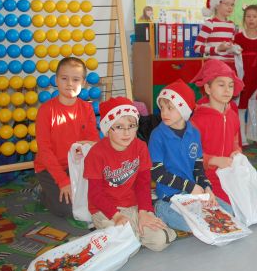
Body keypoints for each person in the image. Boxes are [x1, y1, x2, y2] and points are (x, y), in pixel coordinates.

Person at [83, 97, 175, 251]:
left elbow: (143, 184)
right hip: (106, 210)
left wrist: (144, 212)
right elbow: (95, 194)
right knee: (126, 247)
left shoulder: (140, 147)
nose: (126, 133)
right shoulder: (96, 154)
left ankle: (129, 236)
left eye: (131, 126)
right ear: (107, 128)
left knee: (161, 241)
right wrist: (116, 215)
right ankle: (117, 235)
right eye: (119, 127)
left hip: (133, 206)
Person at [150, 80, 232, 232]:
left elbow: (198, 168)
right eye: (162, 108)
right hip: (169, 195)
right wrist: (190, 186)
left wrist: (207, 188)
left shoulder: (194, 133)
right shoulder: (157, 135)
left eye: (170, 108)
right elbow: (157, 173)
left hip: (192, 194)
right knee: (196, 224)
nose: (164, 113)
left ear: (184, 109)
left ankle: (191, 213)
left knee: (229, 214)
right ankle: (159, 208)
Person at [34, 57, 99, 217]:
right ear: (56, 80)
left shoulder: (87, 108)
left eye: (75, 79)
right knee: (67, 209)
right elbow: (45, 151)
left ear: (83, 82)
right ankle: (42, 192)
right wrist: (63, 181)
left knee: (94, 200)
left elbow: (93, 143)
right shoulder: (46, 111)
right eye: (64, 78)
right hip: (49, 168)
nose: (69, 84)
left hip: (76, 165)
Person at [190, 59, 243, 208]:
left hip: (229, 174)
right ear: (208, 88)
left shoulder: (232, 115)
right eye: (221, 85)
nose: (227, 90)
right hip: (206, 176)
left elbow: (235, 141)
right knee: (228, 210)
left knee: (250, 204)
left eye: (231, 85)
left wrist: (236, 151)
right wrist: (214, 160)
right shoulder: (197, 120)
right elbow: (190, 155)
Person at [234, 5, 257, 144]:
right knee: (241, 108)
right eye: (248, 16)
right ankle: (242, 138)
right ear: (244, 19)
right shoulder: (238, 37)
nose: (251, 19)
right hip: (242, 79)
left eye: (254, 16)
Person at [193, 0, 241, 72]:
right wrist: (217, 49)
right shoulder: (210, 24)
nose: (230, 7)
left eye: (232, 4)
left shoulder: (232, 25)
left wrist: (235, 49)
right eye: (227, 4)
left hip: (229, 66)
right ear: (217, 5)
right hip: (215, 67)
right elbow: (197, 48)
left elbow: (230, 46)